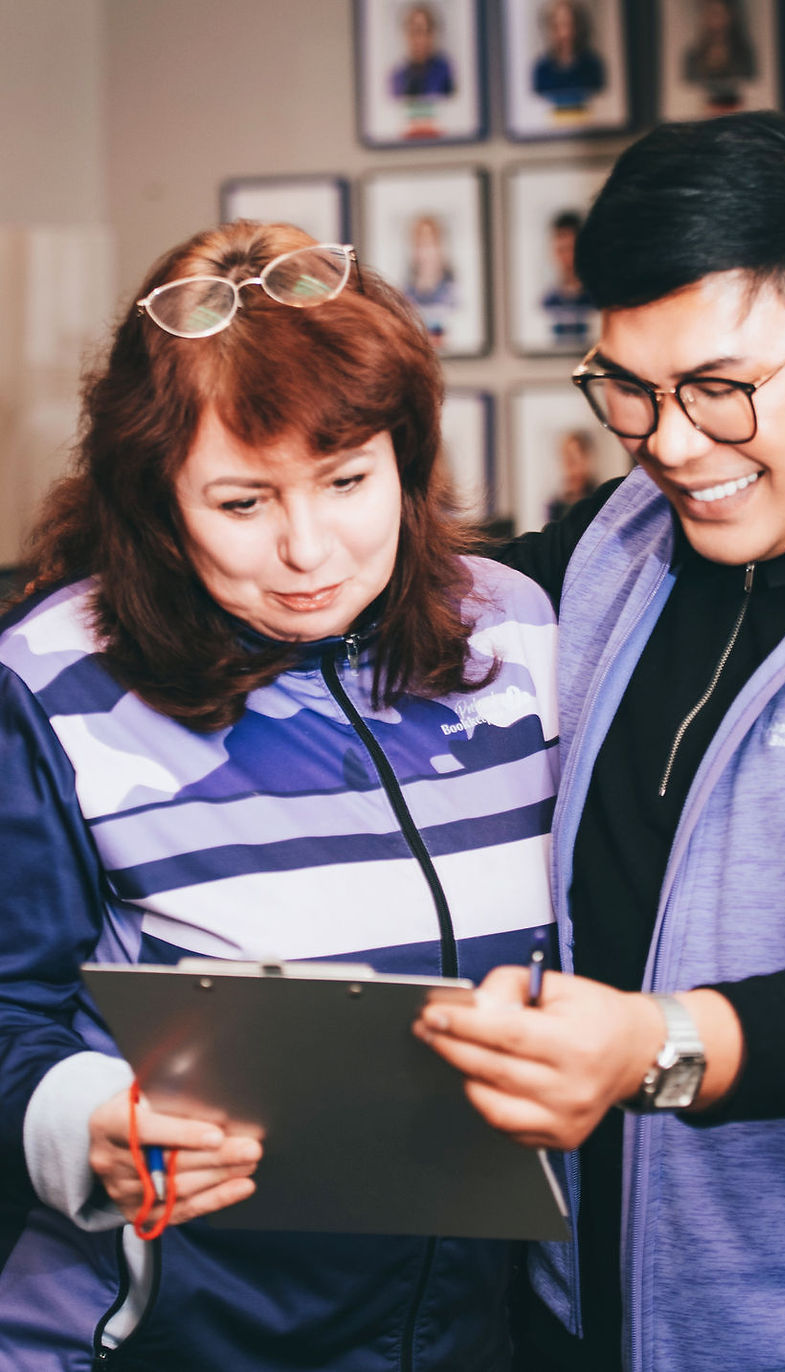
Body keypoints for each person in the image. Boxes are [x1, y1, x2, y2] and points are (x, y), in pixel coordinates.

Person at [415, 110, 785, 1370]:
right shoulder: (617, 540)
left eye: (721, 390)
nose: (670, 443)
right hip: (574, 1312)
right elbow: (418, 616)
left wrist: (647, 1048)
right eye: (627, 387)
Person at [0, 220, 559, 1370]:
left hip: (475, 1339)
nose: (307, 550)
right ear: (157, 499)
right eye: (242, 503)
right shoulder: (50, 684)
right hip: (170, 1338)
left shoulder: (523, 636)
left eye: (347, 479)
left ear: (405, 456)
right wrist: (80, 1121)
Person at [682, 0, 757, 111]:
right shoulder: (692, 56)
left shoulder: (744, 54)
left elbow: (751, 83)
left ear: (731, 16)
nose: (716, 21)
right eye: (711, 13)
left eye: (720, 14)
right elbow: (688, 87)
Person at [532, 0, 606, 113]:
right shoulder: (542, 69)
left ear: (579, 26)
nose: (564, 33)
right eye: (557, 26)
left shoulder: (593, 65)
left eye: (569, 25)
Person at [540, 210, 594, 348]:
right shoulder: (548, 301)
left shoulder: (597, 300)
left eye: (570, 249)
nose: (565, 258)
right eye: (560, 249)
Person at [404, 213, 456, 347]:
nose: (425, 252)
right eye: (420, 245)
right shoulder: (406, 294)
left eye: (430, 244)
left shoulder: (452, 291)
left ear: (440, 247)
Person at [390, 3, 454, 100]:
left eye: (427, 31)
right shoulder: (398, 77)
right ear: (408, 35)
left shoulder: (445, 72)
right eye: (417, 31)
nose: (422, 39)